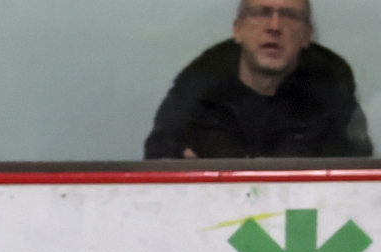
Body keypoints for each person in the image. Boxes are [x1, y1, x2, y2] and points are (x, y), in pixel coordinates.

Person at [144, 1, 372, 160]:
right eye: (261, 13)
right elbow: (160, 169)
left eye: (289, 16)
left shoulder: (331, 93)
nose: (274, 27)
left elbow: (353, 179)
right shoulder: (198, 93)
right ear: (238, 30)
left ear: (306, 35)